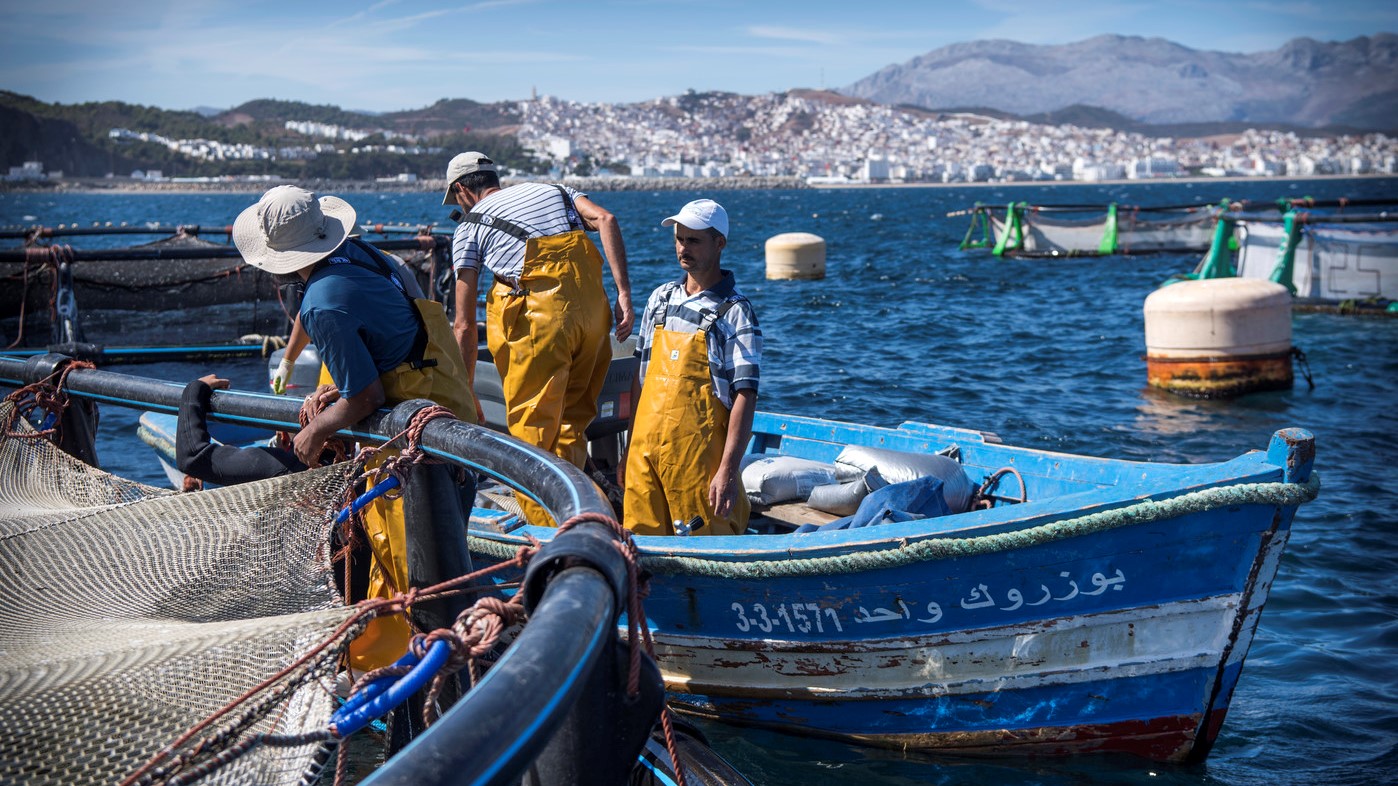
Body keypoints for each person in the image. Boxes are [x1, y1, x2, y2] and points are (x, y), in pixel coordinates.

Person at [232, 184, 477, 672]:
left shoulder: (324, 303)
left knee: (410, 565)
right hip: (449, 408)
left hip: (411, 438)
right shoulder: (367, 256)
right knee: (443, 547)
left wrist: (315, 431)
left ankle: (425, 675)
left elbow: (367, 397)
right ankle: (432, 654)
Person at [443, 151, 633, 526]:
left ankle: (548, 534)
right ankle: (583, 517)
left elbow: (463, 325)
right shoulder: (556, 190)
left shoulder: (469, 227)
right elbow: (606, 219)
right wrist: (623, 293)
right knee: (572, 425)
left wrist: (465, 392)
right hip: (593, 316)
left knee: (532, 439)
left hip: (541, 325)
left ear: (462, 190)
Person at [622, 199, 761, 536]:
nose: (684, 248)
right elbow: (639, 379)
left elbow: (745, 395)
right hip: (644, 457)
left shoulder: (735, 312)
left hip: (697, 464)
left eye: (694, 240)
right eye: (680, 239)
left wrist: (727, 470)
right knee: (639, 546)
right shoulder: (660, 299)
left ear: (720, 244)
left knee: (704, 545)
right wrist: (627, 451)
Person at [176, 373, 308, 484]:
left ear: (283, 438)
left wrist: (194, 389)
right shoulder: (325, 463)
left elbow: (192, 458)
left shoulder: (286, 467)